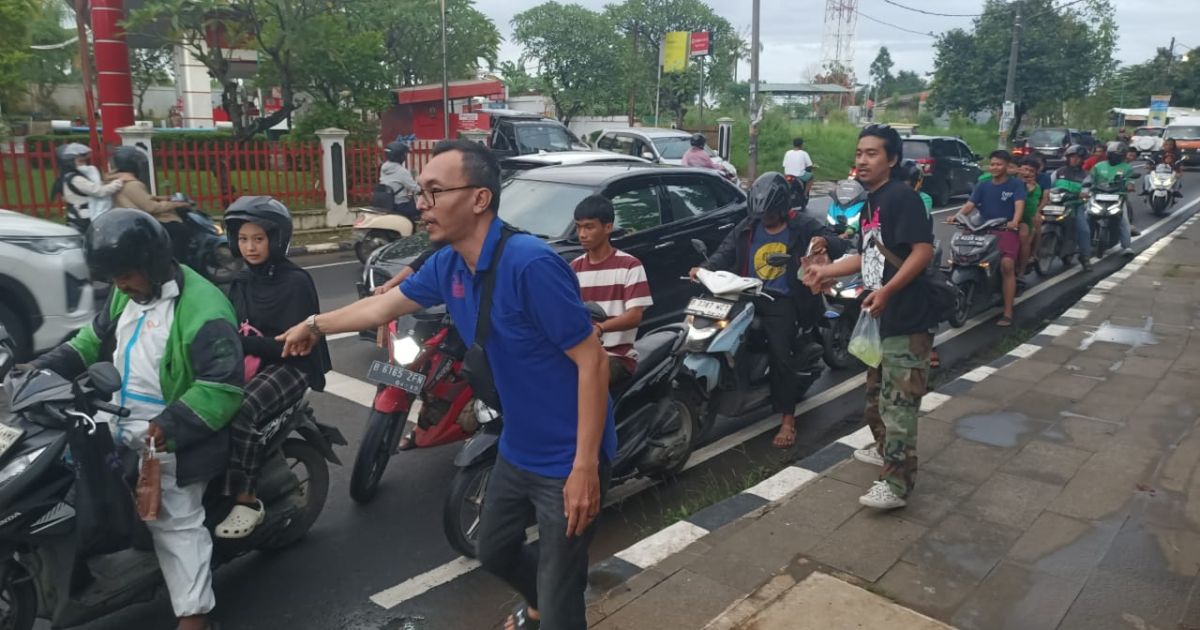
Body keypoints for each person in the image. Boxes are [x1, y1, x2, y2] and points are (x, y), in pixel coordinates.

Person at [275, 140, 613, 630]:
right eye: (420, 192)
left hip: (568, 456)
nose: (421, 204)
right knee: (494, 548)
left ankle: (548, 609)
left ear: (479, 198)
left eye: (434, 191)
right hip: (517, 447)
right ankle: (538, 601)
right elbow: (382, 308)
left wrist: (585, 468)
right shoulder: (449, 264)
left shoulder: (531, 265)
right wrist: (315, 323)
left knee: (563, 599)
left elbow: (593, 362)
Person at [29, 208, 241, 630]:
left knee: (174, 520)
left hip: (176, 431)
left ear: (152, 262)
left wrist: (171, 425)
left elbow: (223, 387)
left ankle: (195, 614)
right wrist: (41, 369)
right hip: (116, 414)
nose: (119, 286)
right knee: (58, 477)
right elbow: (90, 340)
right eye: (113, 279)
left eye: (125, 276)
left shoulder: (205, 309)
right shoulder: (128, 290)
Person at [801, 124, 934, 510]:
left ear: (892, 159)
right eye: (859, 152)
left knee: (899, 405)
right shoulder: (871, 202)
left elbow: (921, 252)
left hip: (906, 319)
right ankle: (885, 451)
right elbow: (869, 255)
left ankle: (896, 484)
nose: (862, 160)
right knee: (876, 396)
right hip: (880, 317)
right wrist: (825, 272)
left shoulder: (900, 199)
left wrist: (888, 291)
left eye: (872, 153)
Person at [689, 172, 847, 449]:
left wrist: (825, 242)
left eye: (771, 213)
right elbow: (725, 251)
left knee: (780, 354)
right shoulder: (749, 226)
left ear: (783, 207)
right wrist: (705, 269)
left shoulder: (802, 225)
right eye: (761, 213)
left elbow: (834, 240)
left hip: (781, 299)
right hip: (744, 293)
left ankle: (787, 419)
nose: (766, 218)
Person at [215, 196, 331, 539]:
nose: (250, 247)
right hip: (250, 361)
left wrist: (240, 343)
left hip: (291, 366)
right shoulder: (238, 280)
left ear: (276, 239)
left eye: (259, 239)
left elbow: (290, 347)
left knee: (241, 409)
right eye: (243, 239)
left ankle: (247, 497)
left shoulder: (295, 282)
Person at [570, 195, 653, 392]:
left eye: (589, 227)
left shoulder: (630, 266)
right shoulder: (574, 268)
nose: (582, 234)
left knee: (580, 383)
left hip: (616, 357)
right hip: (580, 353)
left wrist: (600, 328)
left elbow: (634, 316)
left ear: (608, 228)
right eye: (579, 227)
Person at [951, 151, 1024, 327]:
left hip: (1004, 229)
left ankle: (1008, 312)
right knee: (961, 255)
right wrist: (957, 216)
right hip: (982, 228)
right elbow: (970, 205)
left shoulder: (1016, 185)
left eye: (999, 164)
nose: (994, 167)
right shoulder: (983, 185)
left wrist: (1014, 222)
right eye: (992, 164)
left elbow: (1019, 206)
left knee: (1007, 265)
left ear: (1007, 166)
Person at [110, 146, 193, 261]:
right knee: (180, 230)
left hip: (130, 220)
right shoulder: (132, 184)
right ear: (132, 164)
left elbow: (141, 198)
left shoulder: (118, 181)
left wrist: (163, 198)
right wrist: (176, 204)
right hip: (141, 221)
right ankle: (178, 263)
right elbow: (151, 207)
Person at [900, 161, 940, 369]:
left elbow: (913, 222)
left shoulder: (923, 199)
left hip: (919, 253)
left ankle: (930, 344)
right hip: (894, 255)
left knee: (925, 293)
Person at [52, 142, 123, 231]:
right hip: (83, 218)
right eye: (80, 161)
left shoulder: (65, 176)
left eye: (84, 161)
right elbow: (99, 191)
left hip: (77, 216)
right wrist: (117, 183)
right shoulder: (76, 179)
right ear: (68, 162)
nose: (84, 164)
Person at [1085, 141, 1137, 254]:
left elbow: (1130, 180)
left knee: (1124, 221)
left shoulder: (1127, 168)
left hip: (1118, 196)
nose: (1115, 157)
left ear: (1122, 156)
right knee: (1086, 216)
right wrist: (1085, 187)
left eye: (1118, 155)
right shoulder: (1099, 166)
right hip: (1097, 196)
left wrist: (1130, 186)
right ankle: (1083, 243)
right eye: (1113, 154)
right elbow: (1090, 179)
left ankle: (1126, 246)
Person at [1051, 144, 1094, 271]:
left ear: (1082, 160)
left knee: (1084, 229)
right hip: (1056, 204)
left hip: (1075, 206)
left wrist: (1083, 194)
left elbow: (1086, 190)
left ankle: (1085, 257)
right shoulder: (1058, 172)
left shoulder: (1085, 175)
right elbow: (1048, 186)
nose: (1074, 160)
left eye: (1078, 158)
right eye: (1072, 157)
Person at [1018, 157, 1047, 277]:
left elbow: (1030, 206)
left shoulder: (1036, 188)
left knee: (1027, 234)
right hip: (1005, 220)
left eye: (1031, 171)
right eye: (1025, 169)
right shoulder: (1009, 182)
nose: (1027, 173)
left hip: (1024, 222)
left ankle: (1021, 271)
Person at [379, 140, 421, 223]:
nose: (405, 156)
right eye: (404, 154)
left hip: (387, 203)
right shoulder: (401, 171)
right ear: (400, 156)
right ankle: (411, 231)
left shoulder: (384, 167)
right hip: (400, 205)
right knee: (420, 208)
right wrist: (424, 191)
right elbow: (414, 188)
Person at [783, 137, 816, 206]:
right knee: (811, 177)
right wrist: (813, 166)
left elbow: (784, 165)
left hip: (787, 174)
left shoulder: (787, 153)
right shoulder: (804, 153)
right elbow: (809, 165)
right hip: (799, 175)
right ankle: (805, 193)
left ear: (793, 144)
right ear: (801, 145)